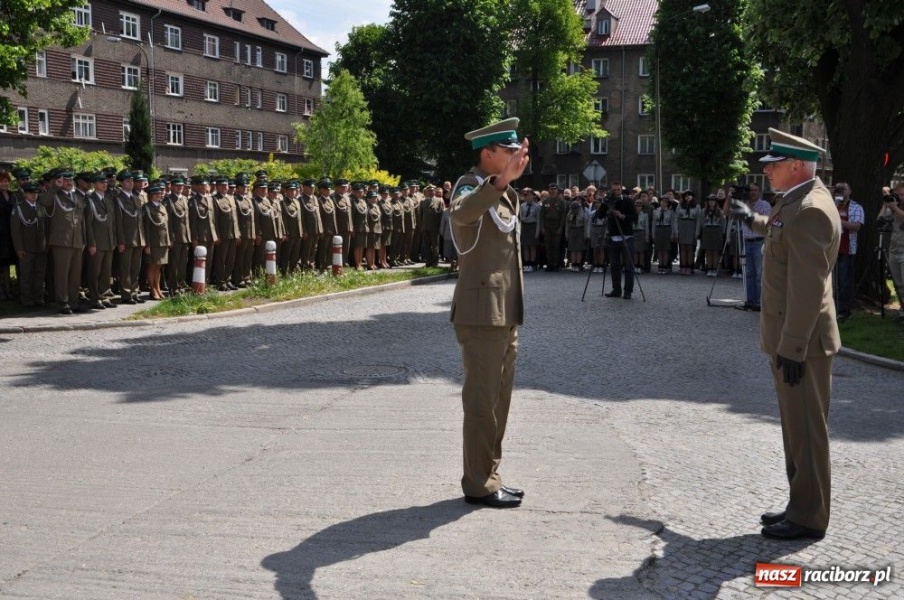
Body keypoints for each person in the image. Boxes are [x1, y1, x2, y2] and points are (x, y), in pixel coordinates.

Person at [730, 128, 840, 540]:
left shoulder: (809, 208)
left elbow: (808, 287)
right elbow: (783, 238)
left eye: (773, 166)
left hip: (803, 344)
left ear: (795, 167)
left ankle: (810, 516)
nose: (767, 173)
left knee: (808, 430)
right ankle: (801, 503)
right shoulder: (795, 203)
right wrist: (753, 220)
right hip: (795, 340)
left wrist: (792, 347)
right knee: (796, 428)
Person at [449, 117, 528, 508]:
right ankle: (478, 483)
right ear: (488, 154)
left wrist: (504, 185)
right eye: (508, 152)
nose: (516, 158)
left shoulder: (506, 193)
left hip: (504, 312)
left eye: (517, 152)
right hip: (481, 314)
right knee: (481, 404)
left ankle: (490, 475)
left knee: (499, 401)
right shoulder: (470, 185)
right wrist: (498, 184)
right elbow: (463, 214)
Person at [39, 169, 88, 314]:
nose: (68, 182)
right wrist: (55, 186)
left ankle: (73, 302)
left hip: (77, 241)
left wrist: (84, 239)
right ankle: (62, 302)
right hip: (61, 241)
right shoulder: (54, 195)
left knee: (75, 274)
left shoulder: (76, 196)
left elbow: (81, 221)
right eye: (65, 180)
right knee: (62, 274)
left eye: (70, 180)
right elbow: (43, 201)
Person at [9, 181, 47, 307]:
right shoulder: (19, 208)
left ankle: (38, 297)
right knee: (26, 275)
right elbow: (16, 231)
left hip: (40, 246)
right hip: (26, 247)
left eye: (35, 193)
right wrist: (19, 248)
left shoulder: (40, 206)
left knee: (39, 273)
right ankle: (26, 299)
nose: (34, 195)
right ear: (25, 194)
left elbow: (44, 228)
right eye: (31, 193)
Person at [84, 172, 117, 309]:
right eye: (101, 182)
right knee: (95, 271)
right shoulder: (90, 200)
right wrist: (91, 243)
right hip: (97, 242)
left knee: (106, 272)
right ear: (94, 184)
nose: (104, 184)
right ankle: (94, 297)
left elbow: (112, 221)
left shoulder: (108, 199)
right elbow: (88, 224)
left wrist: (114, 239)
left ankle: (104, 295)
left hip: (109, 241)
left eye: (105, 182)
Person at [832, 181, 863, 320]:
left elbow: (856, 226)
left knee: (844, 281)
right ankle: (831, 308)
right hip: (831, 248)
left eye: (844, 189)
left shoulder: (856, 207)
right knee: (832, 282)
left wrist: (838, 219)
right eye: (839, 189)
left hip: (847, 249)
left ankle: (843, 311)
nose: (841, 191)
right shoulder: (831, 205)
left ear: (850, 191)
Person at [738, 183, 772, 311]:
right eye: (750, 190)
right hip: (746, 241)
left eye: (755, 190)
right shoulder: (743, 204)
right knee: (748, 273)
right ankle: (750, 300)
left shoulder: (765, 205)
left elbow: (763, 221)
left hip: (759, 242)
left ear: (760, 192)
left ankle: (759, 302)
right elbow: (727, 212)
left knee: (759, 274)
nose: (752, 192)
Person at [604, 187, 638, 299]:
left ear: (621, 190)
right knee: (614, 265)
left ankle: (628, 291)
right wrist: (606, 211)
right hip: (613, 236)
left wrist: (622, 216)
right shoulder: (608, 201)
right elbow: (599, 215)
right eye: (613, 190)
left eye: (618, 189)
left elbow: (634, 217)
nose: (615, 192)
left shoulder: (628, 201)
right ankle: (616, 289)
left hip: (626, 236)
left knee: (628, 265)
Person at [142, 183, 171, 301]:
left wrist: (168, 241)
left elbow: (166, 226)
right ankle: (152, 289)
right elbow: (146, 228)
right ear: (152, 195)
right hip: (153, 242)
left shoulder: (162, 207)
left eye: (160, 193)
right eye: (158, 194)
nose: (161, 195)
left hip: (163, 242)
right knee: (152, 266)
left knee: (159, 267)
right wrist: (147, 244)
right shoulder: (147, 208)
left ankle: (157, 288)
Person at [880, 183, 904, 321]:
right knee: (898, 284)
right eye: (898, 194)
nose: (900, 197)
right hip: (894, 250)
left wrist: (894, 207)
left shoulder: (896, 208)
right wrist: (886, 203)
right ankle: (902, 312)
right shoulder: (894, 207)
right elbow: (880, 220)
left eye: (902, 194)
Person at [700, 194, 726, 277]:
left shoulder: (720, 211)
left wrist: (722, 232)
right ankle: (709, 268)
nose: (711, 202)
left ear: (716, 202)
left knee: (715, 251)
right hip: (707, 231)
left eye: (713, 201)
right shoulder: (704, 211)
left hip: (716, 231)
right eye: (710, 201)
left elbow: (723, 223)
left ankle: (715, 269)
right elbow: (701, 221)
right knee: (708, 251)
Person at [519, 188, 539, 271]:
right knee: (525, 246)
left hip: (532, 226)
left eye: (530, 195)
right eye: (526, 195)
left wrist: (537, 232)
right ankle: (526, 264)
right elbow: (520, 217)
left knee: (532, 246)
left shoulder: (537, 206)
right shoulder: (522, 206)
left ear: (533, 196)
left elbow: (538, 220)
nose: (528, 197)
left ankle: (532, 264)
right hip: (525, 226)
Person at [566, 200, 587, 271]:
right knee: (572, 249)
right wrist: (567, 234)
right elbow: (567, 225)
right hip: (572, 230)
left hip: (580, 231)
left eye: (576, 208)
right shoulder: (569, 214)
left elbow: (585, 226)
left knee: (578, 249)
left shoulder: (583, 214)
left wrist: (585, 235)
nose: (575, 210)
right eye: (573, 208)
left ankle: (578, 265)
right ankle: (573, 264)